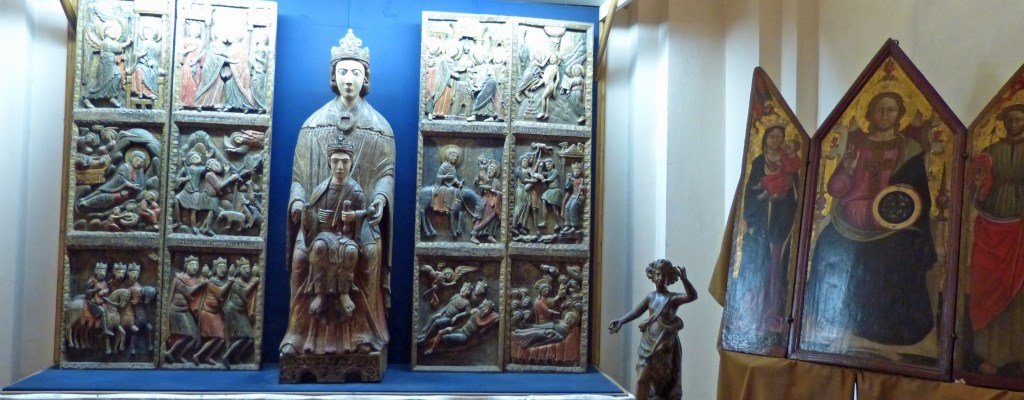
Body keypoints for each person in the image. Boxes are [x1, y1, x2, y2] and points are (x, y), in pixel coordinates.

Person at [282, 29, 394, 357]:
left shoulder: (380, 127)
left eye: (356, 72)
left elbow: (385, 175)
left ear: (365, 78)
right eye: (343, 71)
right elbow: (299, 178)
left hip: (359, 221)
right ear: (333, 76)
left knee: (369, 255)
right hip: (318, 220)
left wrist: (380, 200)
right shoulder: (312, 125)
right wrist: (299, 203)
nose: (349, 79)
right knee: (301, 257)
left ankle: (362, 333)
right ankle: (298, 333)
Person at [802, 91, 936, 347]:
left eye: (891, 110)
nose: (885, 115)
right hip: (850, 221)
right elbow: (836, 189)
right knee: (827, 244)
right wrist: (848, 169)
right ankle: (833, 319)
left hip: (893, 221)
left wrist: (897, 209)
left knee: (903, 251)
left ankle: (887, 327)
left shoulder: (909, 148)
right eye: (879, 110)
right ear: (870, 113)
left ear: (899, 114)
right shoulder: (856, 146)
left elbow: (918, 194)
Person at [726, 124, 799, 340]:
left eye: (779, 136)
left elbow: (796, 191)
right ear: (765, 138)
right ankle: (751, 315)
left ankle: (773, 314)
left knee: (776, 264)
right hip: (760, 223)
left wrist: (783, 195)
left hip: (781, 220)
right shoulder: (759, 162)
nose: (776, 140)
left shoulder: (788, 162)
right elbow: (749, 192)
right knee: (756, 263)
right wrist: (758, 207)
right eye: (772, 136)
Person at [968, 104, 1024, 374]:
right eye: (1009, 120)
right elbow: (977, 189)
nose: (1013, 124)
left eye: (1018, 120)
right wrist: (978, 182)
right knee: (991, 284)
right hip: (993, 221)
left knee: (1019, 291)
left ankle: (1018, 353)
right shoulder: (991, 152)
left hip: (1021, 225)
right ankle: (991, 354)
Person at [609, 259, 696, 400]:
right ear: (653, 276)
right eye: (658, 274)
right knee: (642, 378)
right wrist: (621, 321)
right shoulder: (651, 297)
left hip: (664, 344)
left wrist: (685, 280)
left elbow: (692, 296)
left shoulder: (673, 298)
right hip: (648, 342)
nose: (660, 278)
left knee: (663, 380)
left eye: (664, 275)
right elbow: (636, 312)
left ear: (669, 278)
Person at [193, 258, 234, 365]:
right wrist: (229, 282)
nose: (223, 269)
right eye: (220, 267)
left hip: (216, 313)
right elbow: (220, 294)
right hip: (208, 312)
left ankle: (208, 357)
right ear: (215, 269)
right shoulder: (211, 282)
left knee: (222, 339)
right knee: (217, 337)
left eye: (225, 267)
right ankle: (197, 355)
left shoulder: (222, 281)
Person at [164, 256, 203, 363]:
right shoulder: (179, 279)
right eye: (192, 264)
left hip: (186, 310)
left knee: (195, 337)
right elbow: (188, 291)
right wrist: (201, 283)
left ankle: (180, 355)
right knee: (188, 335)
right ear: (186, 266)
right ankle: (169, 352)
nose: (195, 267)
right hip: (177, 311)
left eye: (196, 265)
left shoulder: (195, 280)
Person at [223, 258, 260, 364]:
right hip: (233, 311)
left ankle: (236, 357)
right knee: (243, 337)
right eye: (244, 268)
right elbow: (244, 294)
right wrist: (253, 283)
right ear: (239, 270)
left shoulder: (244, 282)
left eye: (248, 268)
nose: (247, 271)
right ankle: (226, 357)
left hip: (241, 311)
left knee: (251, 339)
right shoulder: (235, 282)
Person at [470, 160, 501, 243]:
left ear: (495, 172)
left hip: (493, 202)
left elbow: (500, 193)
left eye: (492, 170)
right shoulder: (484, 180)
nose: (490, 171)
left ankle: (490, 235)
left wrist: (494, 191)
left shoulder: (497, 182)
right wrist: (482, 187)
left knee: (493, 218)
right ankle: (474, 235)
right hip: (484, 200)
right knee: (481, 217)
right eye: (489, 169)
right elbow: (478, 191)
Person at [561, 162, 586, 233]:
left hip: (579, 197)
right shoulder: (572, 179)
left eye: (577, 171)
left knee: (572, 207)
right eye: (574, 171)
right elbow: (567, 187)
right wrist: (567, 180)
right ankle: (567, 224)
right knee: (567, 207)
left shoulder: (582, 180)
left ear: (580, 171)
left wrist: (582, 187)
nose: (576, 172)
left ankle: (574, 226)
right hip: (573, 196)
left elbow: (587, 187)